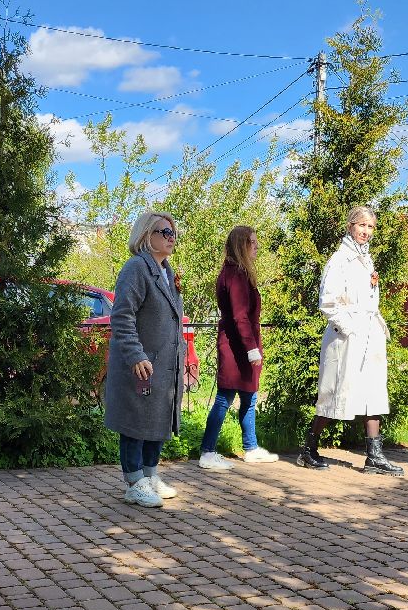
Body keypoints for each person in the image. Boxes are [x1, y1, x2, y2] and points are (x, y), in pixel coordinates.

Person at [295, 205, 404, 476]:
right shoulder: (340, 260)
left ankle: (374, 456)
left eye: (370, 227)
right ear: (350, 226)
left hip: (369, 335)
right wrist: (350, 329)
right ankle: (308, 449)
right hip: (346, 338)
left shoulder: (366, 259)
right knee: (334, 392)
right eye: (361, 225)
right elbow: (328, 302)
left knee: (373, 392)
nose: (366, 231)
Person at [104, 210, 187, 507]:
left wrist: (181, 355)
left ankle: (150, 475)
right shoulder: (136, 268)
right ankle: (134, 482)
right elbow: (122, 316)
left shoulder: (166, 271)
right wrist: (135, 354)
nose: (171, 237)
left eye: (173, 232)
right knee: (136, 422)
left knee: (158, 418)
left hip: (164, 362)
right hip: (142, 362)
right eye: (165, 232)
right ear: (145, 235)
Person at [198, 225, 279, 470]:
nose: (257, 246)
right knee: (224, 398)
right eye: (252, 242)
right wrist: (251, 349)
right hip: (237, 347)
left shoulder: (235, 272)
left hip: (240, 345)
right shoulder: (235, 274)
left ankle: (251, 448)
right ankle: (207, 452)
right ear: (241, 245)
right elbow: (240, 316)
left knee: (249, 397)